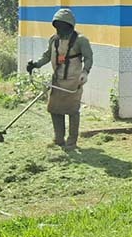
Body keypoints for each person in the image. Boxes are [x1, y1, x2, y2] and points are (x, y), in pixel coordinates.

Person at [26, 8, 93, 147]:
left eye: (62, 25)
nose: (59, 28)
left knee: (72, 111)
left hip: (73, 82)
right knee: (54, 109)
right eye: (57, 25)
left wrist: (85, 72)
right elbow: (46, 56)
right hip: (57, 80)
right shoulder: (54, 39)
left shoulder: (81, 40)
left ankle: (72, 141)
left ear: (69, 25)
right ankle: (59, 138)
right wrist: (35, 64)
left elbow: (88, 58)